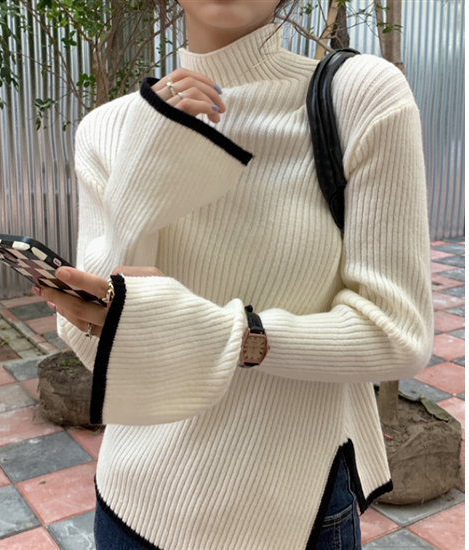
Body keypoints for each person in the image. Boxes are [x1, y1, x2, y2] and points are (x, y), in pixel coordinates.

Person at [34, 1, 433, 548]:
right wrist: (143, 173)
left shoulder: (359, 96)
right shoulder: (110, 128)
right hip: (133, 505)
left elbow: (398, 334)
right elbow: (93, 342)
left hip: (289, 517)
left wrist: (231, 337)